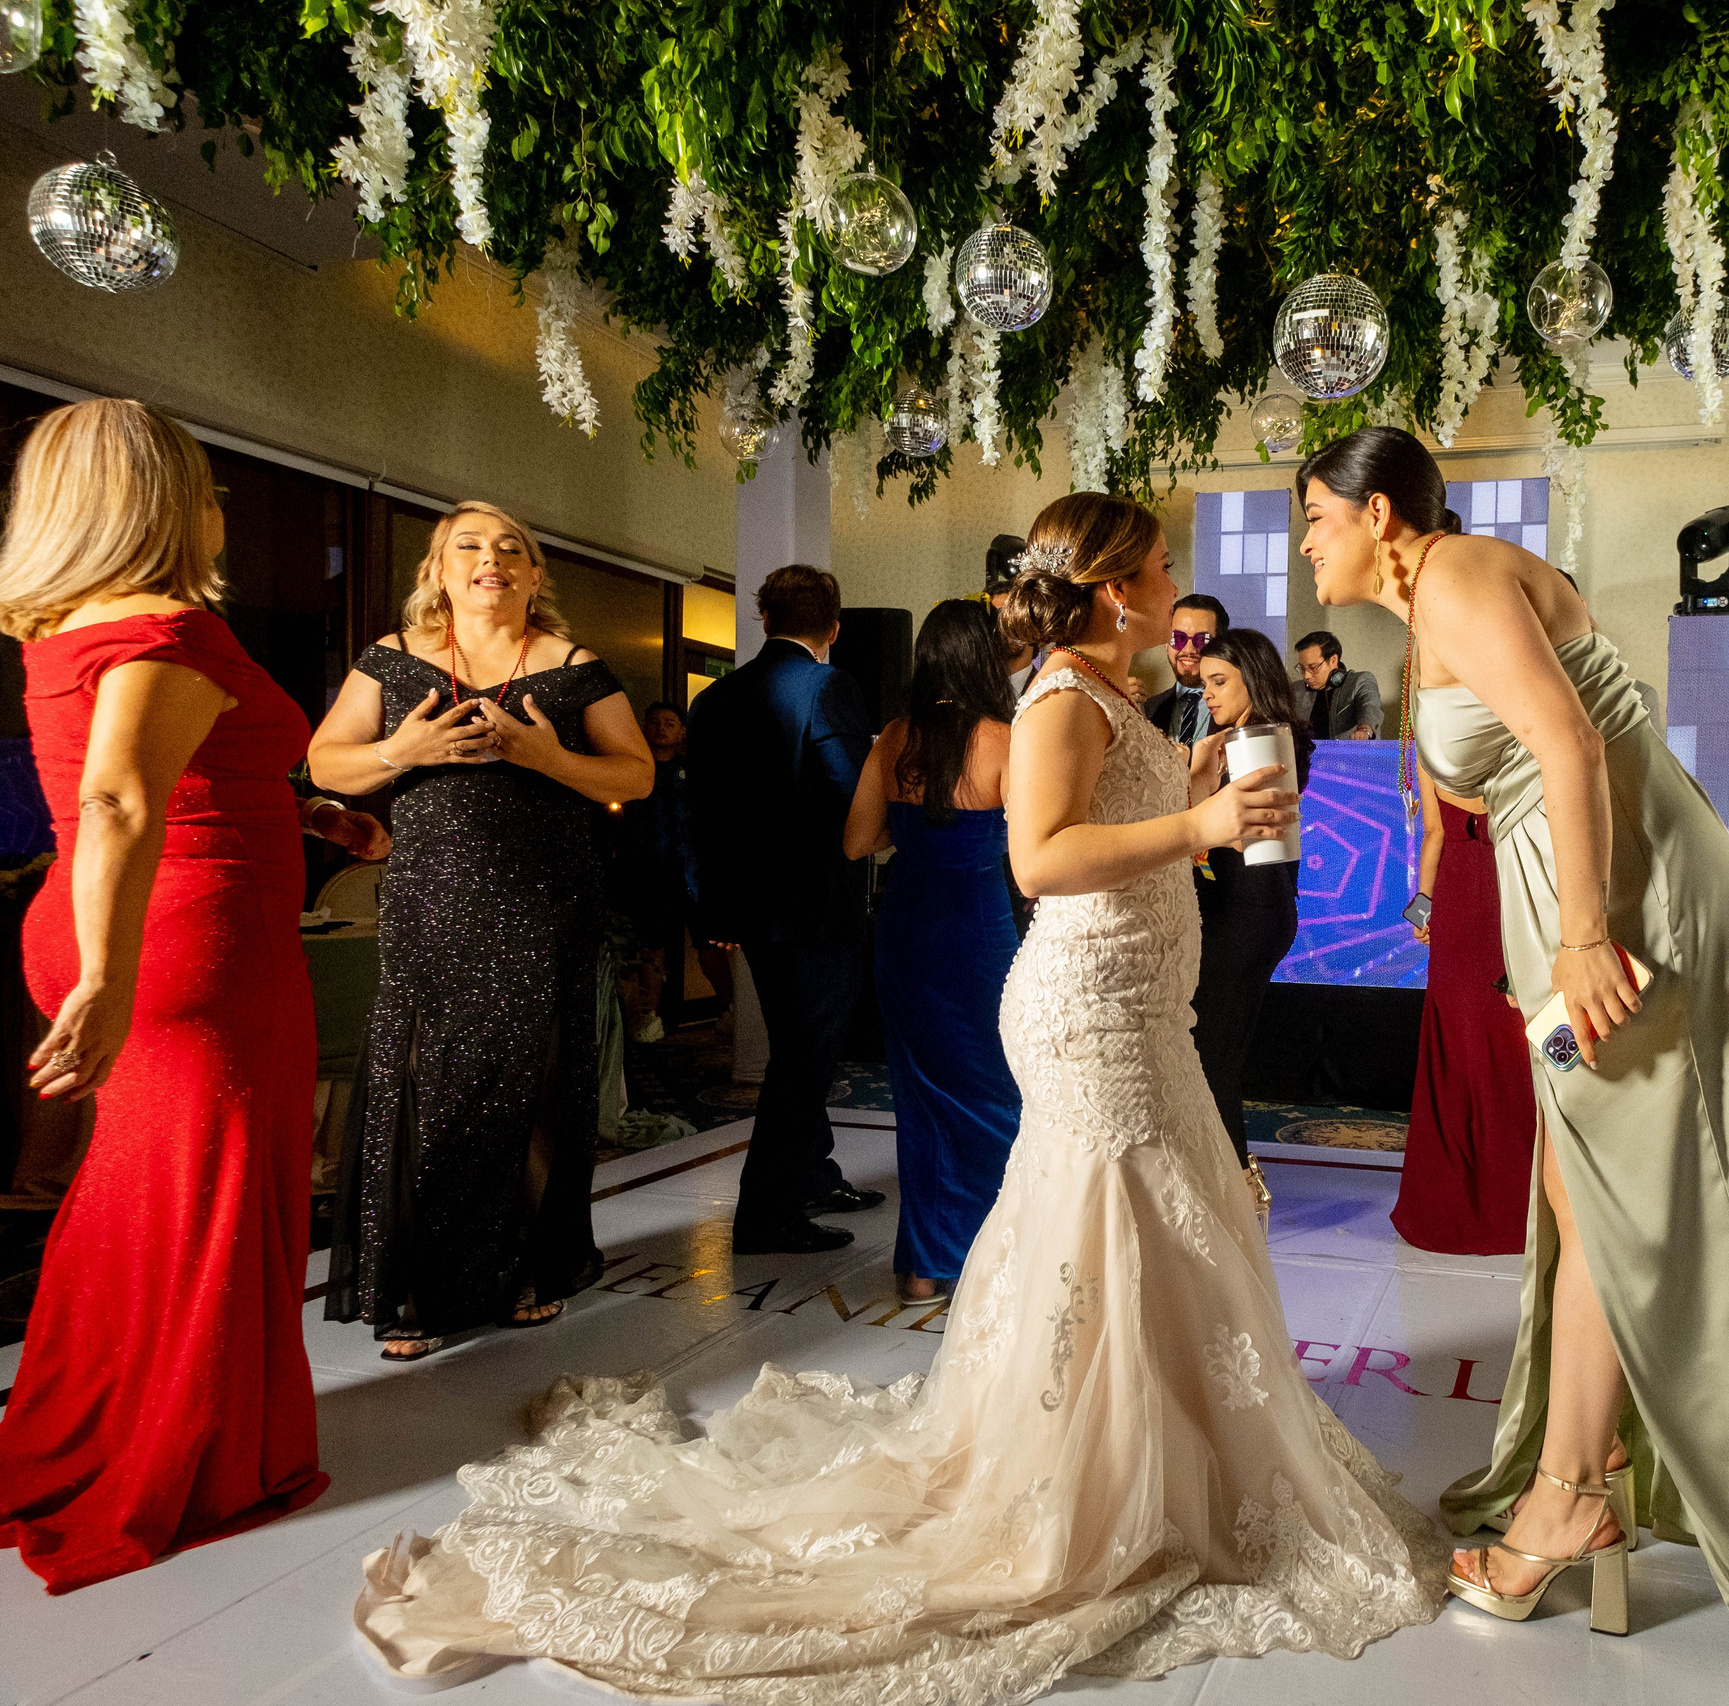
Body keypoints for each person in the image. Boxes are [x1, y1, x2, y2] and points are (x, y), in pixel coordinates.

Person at [351, 492, 1444, 1700]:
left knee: (1147, 1219)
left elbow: (1109, 818)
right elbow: (1040, 857)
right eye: (1158, 565)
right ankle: (1090, 1473)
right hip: (1091, 1005)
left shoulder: (1110, 691)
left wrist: (1185, 793)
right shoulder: (1061, 696)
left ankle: (1162, 1452)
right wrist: (1197, 818)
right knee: (1115, 1216)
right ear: (1111, 587)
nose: (1172, 581)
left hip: (1142, 998)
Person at [1298, 426, 1729, 1664]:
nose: (1304, 546)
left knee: (1623, 1198)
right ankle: (1579, 1468)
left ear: (1378, 513)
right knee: (1578, 1191)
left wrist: (1582, 937)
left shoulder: (1455, 573)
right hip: (1577, 898)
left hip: (1623, 901)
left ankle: (1572, 1497)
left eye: (1315, 519)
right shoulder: (1434, 602)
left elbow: (1569, 743)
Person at [0, 401, 368, 1590]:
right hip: (183, 944)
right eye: (203, 487)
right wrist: (108, 980)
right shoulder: (168, 627)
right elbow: (116, 797)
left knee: (138, 1192)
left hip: (125, 921)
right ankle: (181, 1452)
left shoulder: (71, 624)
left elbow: (163, 774)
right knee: (207, 1199)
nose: (217, 507)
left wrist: (306, 813)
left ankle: (102, 1416)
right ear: (157, 502)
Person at [308, 502, 654, 1361]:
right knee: (424, 1081)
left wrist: (547, 758)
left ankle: (529, 1267)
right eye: (467, 545)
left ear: (536, 575)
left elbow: (637, 775)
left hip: (544, 904)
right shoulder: (392, 660)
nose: (489, 557)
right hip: (431, 902)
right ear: (439, 570)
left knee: (532, 1082)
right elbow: (324, 761)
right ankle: (418, 1286)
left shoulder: (573, 667)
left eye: (509, 548)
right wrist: (403, 753)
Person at [684, 563, 884, 1254]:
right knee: (804, 1063)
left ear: (764, 618)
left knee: (796, 1049)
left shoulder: (714, 699)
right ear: (834, 627)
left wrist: (713, 907)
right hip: (817, 906)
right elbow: (854, 794)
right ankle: (766, 1216)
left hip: (751, 910)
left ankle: (813, 1175)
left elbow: (702, 814)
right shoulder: (827, 687)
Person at [842, 599, 1022, 1306]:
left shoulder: (895, 737)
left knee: (920, 1099)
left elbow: (857, 842)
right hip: (978, 932)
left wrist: (916, 834)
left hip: (908, 929)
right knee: (995, 1091)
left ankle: (923, 1268)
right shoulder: (1005, 738)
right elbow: (1030, 852)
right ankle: (991, 1254)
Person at [1391, 763, 1539, 1256]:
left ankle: (1481, 1203)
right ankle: (1511, 1204)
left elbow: (1435, 834)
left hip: (1483, 897)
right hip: (1495, 896)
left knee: (1476, 1044)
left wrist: (1423, 911)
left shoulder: (1437, 750)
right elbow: (1435, 833)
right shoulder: (1511, 745)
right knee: (1484, 1043)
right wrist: (1424, 914)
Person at [1186, 627, 1311, 1199]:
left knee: (1213, 1055)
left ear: (1253, 680)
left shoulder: (1260, 742)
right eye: (1205, 683)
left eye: (1219, 681)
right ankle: (1230, 1184)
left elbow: (1251, 840)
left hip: (1248, 912)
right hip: (1250, 908)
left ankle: (1237, 1189)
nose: (1207, 693)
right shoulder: (1251, 737)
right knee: (1213, 1052)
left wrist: (1195, 788)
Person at [614, 699, 729, 1031]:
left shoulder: (695, 773)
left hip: (694, 871)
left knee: (710, 942)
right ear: (644, 727)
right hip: (647, 871)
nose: (661, 728)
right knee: (652, 945)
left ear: (681, 732)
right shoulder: (632, 769)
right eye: (655, 722)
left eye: (669, 723)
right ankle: (649, 1019)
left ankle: (731, 1010)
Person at [1146, 591, 1230, 744]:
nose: (1188, 650)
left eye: (1202, 640)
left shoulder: (1240, 707)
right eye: (1178, 638)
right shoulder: (1148, 710)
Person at [1292, 630, 1383, 738]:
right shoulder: (1296, 689)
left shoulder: (1359, 681)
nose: (1306, 676)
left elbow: (1370, 707)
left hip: (1351, 748)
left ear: (1333, 660)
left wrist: (1364, 729)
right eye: (1303, 668)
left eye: (1313, 667)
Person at [986, 532, 1039, 697]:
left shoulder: (1047, 691)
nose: (999, 624)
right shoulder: (974, 693)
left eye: (1007, 614)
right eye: (994, 615)